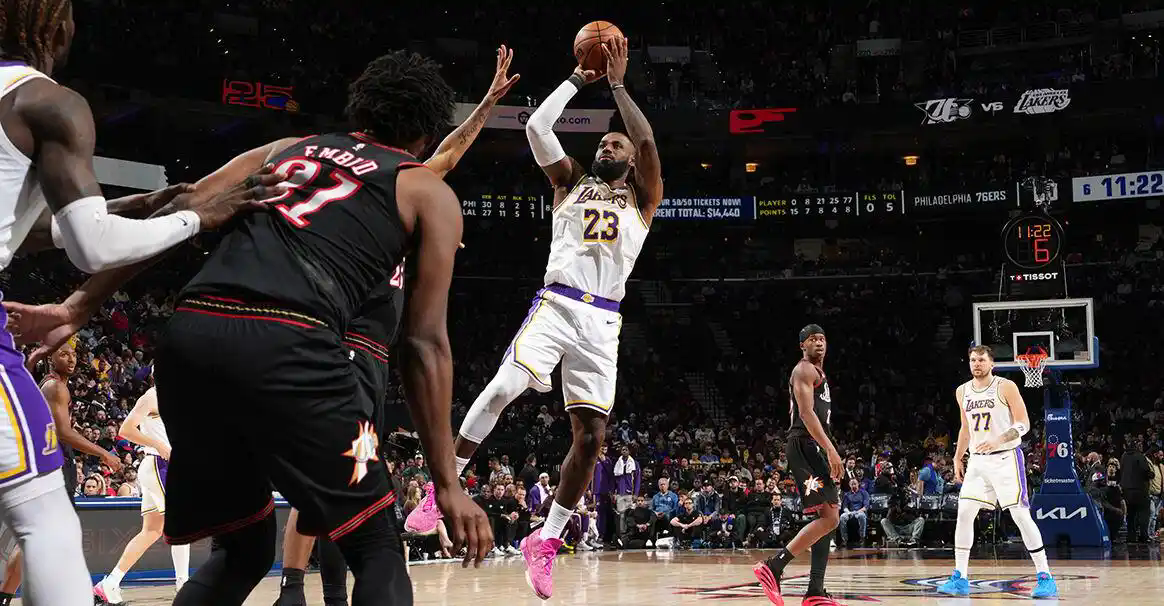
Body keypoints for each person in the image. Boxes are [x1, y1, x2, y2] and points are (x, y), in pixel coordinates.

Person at [8, 50, 492, 606]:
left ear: (359, 107)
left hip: (191, 337)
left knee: (243, 548)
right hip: (290, 339)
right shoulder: (427, 191)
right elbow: (424, 344)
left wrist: (77, 306)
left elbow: (186, 205)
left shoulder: (286, 149)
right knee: (377, 544)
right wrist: (447, 484)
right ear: (426, 135)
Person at [0, 2, 272, 601]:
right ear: (54, 26)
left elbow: (27, 228)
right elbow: (92, 248)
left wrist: (135, 205)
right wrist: (197, 219)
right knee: (45, 518)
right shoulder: (48, 101)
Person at [272, 44, 519, 606]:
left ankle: (318, 590)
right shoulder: (389, 197)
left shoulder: (407, 192)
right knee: (346, 494)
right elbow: (426, 342)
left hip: (351, 353)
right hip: (342, 344)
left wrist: (486, 104)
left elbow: (450, 152)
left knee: (337, 491)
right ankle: (295, 588)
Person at [440, 35, 662, 600]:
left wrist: (618, 86)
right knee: (502, 388)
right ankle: (444, 482)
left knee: (591, 438)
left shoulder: (644, 199)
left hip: (604, 323)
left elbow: (645, 138)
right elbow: (538, 126)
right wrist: (578, 80)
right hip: (558, 304)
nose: (608, 145)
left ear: (630, 160)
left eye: (615, 143)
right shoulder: (569, 182)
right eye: (604, 142)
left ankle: (547, 540)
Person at [1, 339, 122, 605]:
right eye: (64, 354)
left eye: (73, 355)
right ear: (51, 358)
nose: (71, 359)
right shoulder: (55, 386)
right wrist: (103, 453)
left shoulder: (54, 385)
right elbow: (64, 433)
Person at [937, 346, 1057, 597]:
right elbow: (965, 428)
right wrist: (957, 457)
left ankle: (1045, 576)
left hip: (1005, 458)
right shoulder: (962, 391)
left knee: (1020, 515)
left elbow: (1023, 423)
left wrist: (998, 440)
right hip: (978, 461)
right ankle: (960, 577)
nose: (976, 364)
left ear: (992, 363)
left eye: (981, 360)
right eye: (972, 360)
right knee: (964, 513)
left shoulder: (1005, 386)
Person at [753, 324, 842, 606]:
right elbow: (805, 414)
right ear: (802, 345)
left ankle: (815, 591)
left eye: (822, 339)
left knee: (828, 516)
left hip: (813, 445)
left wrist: (831, 449)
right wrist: (830, 449)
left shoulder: (818, 373)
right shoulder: (803, 370)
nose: (819, 343)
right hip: (804, 445)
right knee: (830, 518)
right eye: (812, 339)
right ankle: (773, 566)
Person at [93, 378, 191, 603]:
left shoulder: (173, 398)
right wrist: (158, 445)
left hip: (160, 467)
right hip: (158, 464)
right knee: (181, 523)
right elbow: (125, 429)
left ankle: (109, 584)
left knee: (152, 530)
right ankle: (184, 587)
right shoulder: (152, 396)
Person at [837, 478, 870, 547]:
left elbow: (866, 506)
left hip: (860, 511)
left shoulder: (864, 493)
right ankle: (844, 539)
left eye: (855, 484)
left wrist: (857, 511)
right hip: (850, 512)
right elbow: (845, 507)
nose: (853, 485)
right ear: (849, 485)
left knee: (862, 516)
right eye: (852, 484)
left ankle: (862, 537)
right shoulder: (847, 494)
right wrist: (848, 512)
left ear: (858, 484)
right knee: (842, 517)